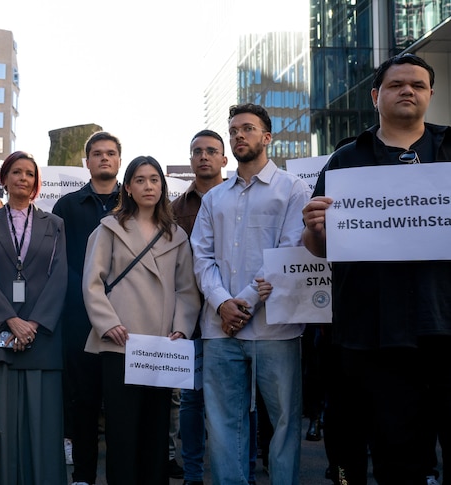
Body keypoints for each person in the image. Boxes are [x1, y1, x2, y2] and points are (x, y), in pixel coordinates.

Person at [302, 52, 451, 485]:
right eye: (396, 84)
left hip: (444, 324)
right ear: (375, 95)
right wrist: (315, 228)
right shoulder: (346, 160)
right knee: (395, 453)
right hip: (376, 333)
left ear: (431, 95)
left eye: (418, 85)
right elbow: (316, 248)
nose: (408, 90)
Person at [192, 103, 310, 485]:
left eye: (248, 128)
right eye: (234, 130)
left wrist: (240, 302)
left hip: (276, 326)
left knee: (284, 423)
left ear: (267, 137)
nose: (239, 135)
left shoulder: (293, 189)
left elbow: (289, 251)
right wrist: (222, 303)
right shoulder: (214, 198)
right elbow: (201, 256)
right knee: (224, 426)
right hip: (219, 327)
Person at [82, 155, 201, 485]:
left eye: (154, 179)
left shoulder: (176, 235)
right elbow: (92, 281)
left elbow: (187, 289)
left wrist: (181, 327)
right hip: (122, 343)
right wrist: (108, 323)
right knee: (122, 431)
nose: (148, 186)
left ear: (162, 186)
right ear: (129, 188)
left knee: (156, 430)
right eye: (140, 180)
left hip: (161, 345)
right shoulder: (109, 228)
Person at [0, 150, 67, 485]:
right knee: (3, 421)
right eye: (16, 172)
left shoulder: (55, 225)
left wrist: (34, 324)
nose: (23, 179)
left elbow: (59, 276)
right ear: (5, 179)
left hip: (41, 336)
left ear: (36, 182)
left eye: (29, 173)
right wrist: (9, 320)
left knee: (43, 422)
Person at [51, 130, 122, 485]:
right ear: (87, 161)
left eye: (111, 153)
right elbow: (59, 262)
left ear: (119, 160)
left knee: (123, 404)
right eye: (97, 153)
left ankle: (121, 474)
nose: (104, 158)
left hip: (128, 318)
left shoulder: (135, 201)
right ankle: (82, 476)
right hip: (79, 319)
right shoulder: (66, 206)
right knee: (83, 403)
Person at [172, 129, 228, 485]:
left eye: (211, 151)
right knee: (192, 402)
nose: (204, 156)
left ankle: (244, 470)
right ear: (191, 160)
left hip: (235, 312)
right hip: (193, 316)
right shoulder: (175, 208)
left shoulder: (240, 197)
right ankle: (193, 474)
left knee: (238, 401)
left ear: (224, 159)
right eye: (197, 151)